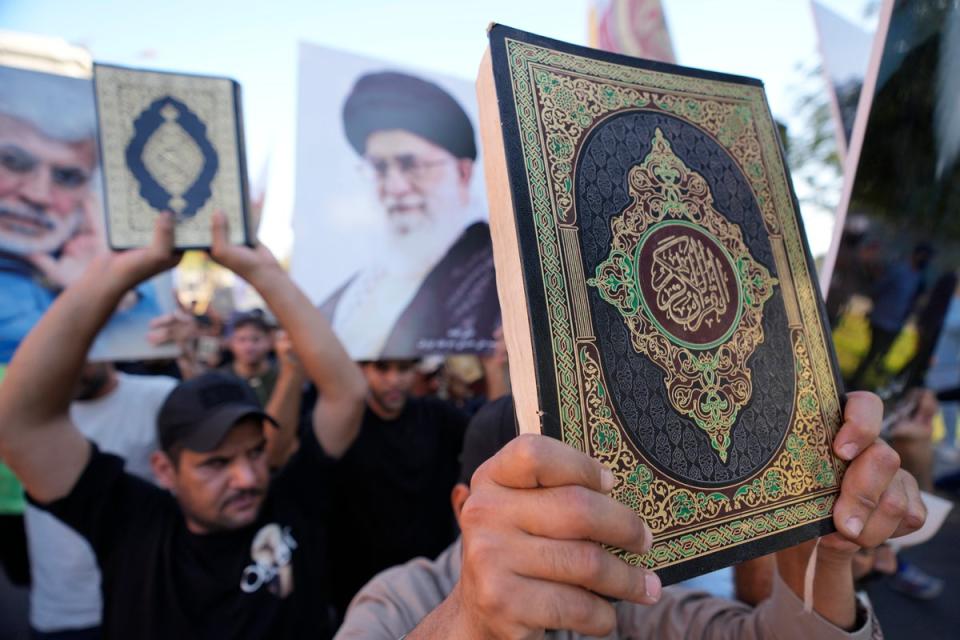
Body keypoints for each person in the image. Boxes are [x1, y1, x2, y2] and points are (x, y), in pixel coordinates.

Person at [0, 213, 367, 639]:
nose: (247, 478)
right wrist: (117, 275)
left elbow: (346, 395)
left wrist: (262, 271)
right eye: (215, 463)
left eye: (254, 452)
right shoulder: (131, 525)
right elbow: (19, 425)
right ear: (163, 470)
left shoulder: (291, 499)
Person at [337, 393, 924, 639]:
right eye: (534, 499)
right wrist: (469, 622)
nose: (564, 523)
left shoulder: (622, 599)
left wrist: (817, 543)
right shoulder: (400, 598)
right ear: (466, 507)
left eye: (580, 500)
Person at [319, 71, 499, 360]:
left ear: (463, 173)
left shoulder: (497, 270)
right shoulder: (359, 286)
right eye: (379, 168)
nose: (396, 187)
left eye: (412, 165)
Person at [0, 65, 161, 363]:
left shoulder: (105, 271)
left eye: (67, 177)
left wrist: (112, 292)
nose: (37, 195)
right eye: (13, 162)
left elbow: (144, 349)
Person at [24, 362, 177, 639]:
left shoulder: (160, 395)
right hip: (60, 610)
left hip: (141, 603)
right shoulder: (25, 410)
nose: (67, 363)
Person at [326, 358, 467, 617]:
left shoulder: (436, 415)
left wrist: (493, 366)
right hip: (363, 589)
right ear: (362, 370)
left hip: (433, 587)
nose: (394, 380)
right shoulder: (343, 429)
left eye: (403, 369)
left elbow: (489, 435)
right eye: (382, 369)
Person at [220, 310, 279, 406]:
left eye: (256, 339)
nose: (249, 347)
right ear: (231, 343)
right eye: (242, 340)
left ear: (269, 341)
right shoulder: (221, 379)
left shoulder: (282, 376)